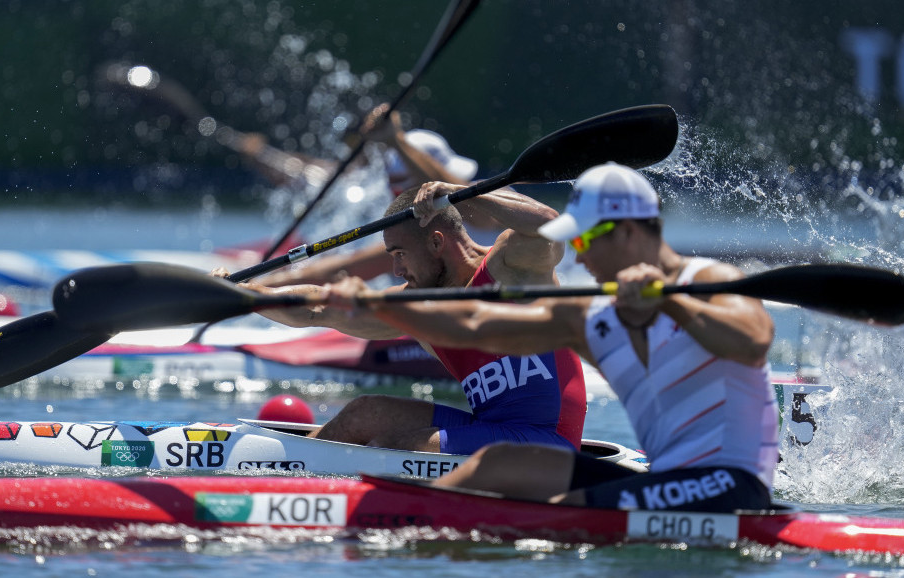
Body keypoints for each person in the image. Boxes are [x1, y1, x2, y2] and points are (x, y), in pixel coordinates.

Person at [324, 162, 779, 513]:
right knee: (497, 464)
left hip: (729, 485)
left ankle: (416, 527)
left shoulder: (710, 278)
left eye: (584, 243)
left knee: (558, 516)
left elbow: (753, 342)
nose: (580, 260)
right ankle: (397, 525)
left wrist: (669, 302)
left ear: (625, 232)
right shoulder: (593, 316)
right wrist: (377, 305)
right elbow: (477, 327)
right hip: (667, 480)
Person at [223, 180, 588, 455]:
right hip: (491, 428)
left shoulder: (511, 266)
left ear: (436, 242)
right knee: (365, 413)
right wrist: (244, 297)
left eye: (400, 254)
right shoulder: (421, 307)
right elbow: (318, 308)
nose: (396, 270)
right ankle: (282, 467)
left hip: (548, 440)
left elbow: (551, 224)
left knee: (399, 444)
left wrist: (464, 192)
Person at [255, 103, 483, 287]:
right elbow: (345, 266)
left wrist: (397, 141)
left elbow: (465, 199)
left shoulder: (486, 208)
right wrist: (265, 283)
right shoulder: (413, 236)